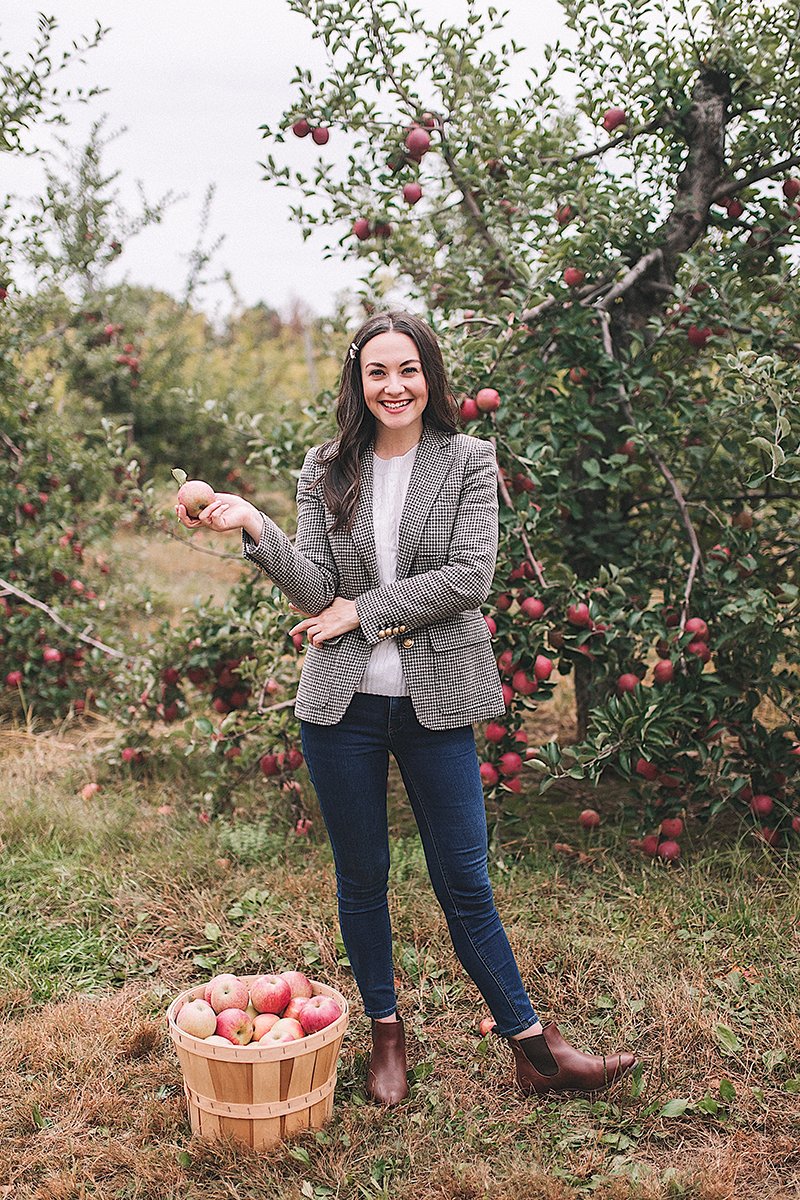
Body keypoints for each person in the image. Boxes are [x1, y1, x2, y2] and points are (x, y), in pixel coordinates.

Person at [176, 310, 636, 1104]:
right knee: (363, 878)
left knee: (465, 880)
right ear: (359, 382)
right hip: (340, 705)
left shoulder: (464, 460)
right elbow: (318, 589)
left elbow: (468, 578)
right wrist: (256, 525)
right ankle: (386, 1031)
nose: (395, 386)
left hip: (436, 702)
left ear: (431, 378)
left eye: (409, 370)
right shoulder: (326, 470)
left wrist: (364, 610)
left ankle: (533, 1048)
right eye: (378, 372)